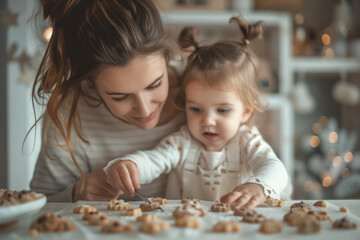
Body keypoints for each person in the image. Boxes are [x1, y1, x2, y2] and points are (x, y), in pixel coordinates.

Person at [104, 17, 291, 209]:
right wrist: (131, 165)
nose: (208, 120)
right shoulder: (181, 143)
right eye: (195, 109)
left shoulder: (247, 141)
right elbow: (154, 160)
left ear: (246, 112)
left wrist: (258, 186)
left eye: (222, 110)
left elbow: (275, 168)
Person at [29, 0, 185, 202]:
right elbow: (39, 206)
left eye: (154, 85)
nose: (144, 109)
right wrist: (78, 193)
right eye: (120, 97)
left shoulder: (204, 91)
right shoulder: (70, 112)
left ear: (167, 58)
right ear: (91, 84)